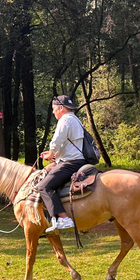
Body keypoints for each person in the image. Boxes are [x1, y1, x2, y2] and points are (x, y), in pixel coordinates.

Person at [37, 95, 87, 235]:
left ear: (61, 108)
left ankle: (64, 218)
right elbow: (68, 144)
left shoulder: (65, 120)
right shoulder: (76, 119)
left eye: (54, 109)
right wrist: (53, 154)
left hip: (70, 163)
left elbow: (57, 141)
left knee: (44, 186)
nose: (53, 112)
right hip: (78, 160)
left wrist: (51, 153)